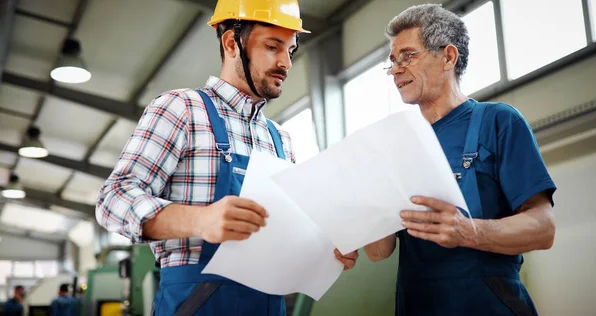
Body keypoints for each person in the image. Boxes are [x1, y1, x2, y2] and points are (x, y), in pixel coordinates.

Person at [95, 0, 357, 315]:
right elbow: (113, 199)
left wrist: (325, 248)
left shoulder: (280, 140)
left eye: (290, 50)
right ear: (232, 43)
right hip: (196, 302)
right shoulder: (182, 109)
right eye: (273, 47)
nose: (285, 63)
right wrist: (200, 220)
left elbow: (286, 235)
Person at [361, 4, 557, 316]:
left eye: (408, 56)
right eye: (392, 62)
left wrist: (470, 232)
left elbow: (543, 229)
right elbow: (378, 251)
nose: (396, 69)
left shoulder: (498, 122)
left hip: (489, 305)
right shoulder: (396, 145)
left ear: (448, 57)